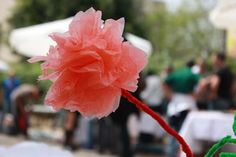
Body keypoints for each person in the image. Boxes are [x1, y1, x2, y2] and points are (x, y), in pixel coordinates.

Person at [163, 60, 200, 157]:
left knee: (173, 132)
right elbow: (202, 83)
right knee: (184, 132)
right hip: (187, 105)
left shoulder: (177, 73)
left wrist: (169, 95)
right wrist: (196, 95)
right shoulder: (192, 74)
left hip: (174, 105)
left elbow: (165, 82)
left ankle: (171, 153)